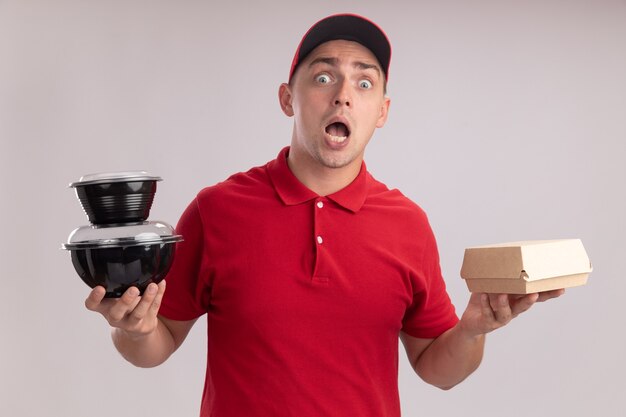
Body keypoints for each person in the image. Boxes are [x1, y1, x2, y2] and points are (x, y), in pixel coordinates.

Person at [85, 13, 564, 417]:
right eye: (322, 76)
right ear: (287, 98)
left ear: (381, 110)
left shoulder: (408, 224)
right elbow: (157, 344)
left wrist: (472, 330)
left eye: (363, 81)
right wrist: (132, 329)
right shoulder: (217, 210)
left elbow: (438, 369)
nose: (342, 94)